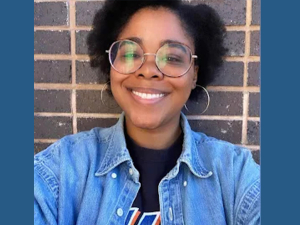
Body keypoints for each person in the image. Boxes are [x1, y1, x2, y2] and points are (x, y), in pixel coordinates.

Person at [34, 0, 260, 224]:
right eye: (131, 54)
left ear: (194, 75)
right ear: (111, 65)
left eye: (172, 58)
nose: (149, 71)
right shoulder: (63, 169)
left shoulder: (235, 175)